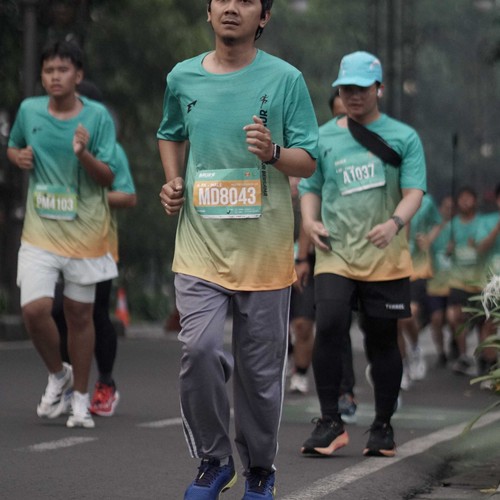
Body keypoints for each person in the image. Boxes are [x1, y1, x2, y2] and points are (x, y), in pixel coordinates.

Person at [157, 1, 319, 498]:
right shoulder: (182, 77)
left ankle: (260, 469)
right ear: (208, 11)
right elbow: (169, 134)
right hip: (200, 245)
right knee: (199, 348)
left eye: (246, 0)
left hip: (264, 251)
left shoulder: (286, 80)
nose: (231, 7)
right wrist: (173, 181)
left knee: (261, 377)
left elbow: (308, 160)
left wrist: (273, 152)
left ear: (263, 17)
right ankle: (215, 460)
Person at [299, 51, 426, 458]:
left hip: (385, 257)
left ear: (379, 89)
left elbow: (414, 191)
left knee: (382, 339)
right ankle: (330, 421)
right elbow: (310, 187)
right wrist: (309, 221)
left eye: (361, 89)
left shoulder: (404, 137)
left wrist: (394, 223)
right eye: (346, 89)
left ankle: (383, 426)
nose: (353, 96)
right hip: (335, 253)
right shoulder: (322, 137)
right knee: (329, 325)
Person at [7, 40, 118, 428]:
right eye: (49, 70)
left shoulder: (98, 118)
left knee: (79, 315)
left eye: (63, 70)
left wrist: (83, 154)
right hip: (40, 230)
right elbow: (14, 146)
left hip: (85, 233)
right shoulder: (29, 110)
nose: (55, 77)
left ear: (78, 75)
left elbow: (108, 176)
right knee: (34, 310)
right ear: (42, 76)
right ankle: (59, 375)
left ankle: (81, 402)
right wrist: (17, 156)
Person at [52, 80, 137, 418]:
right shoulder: (57, 147)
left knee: (95, 314)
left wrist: (88, 198)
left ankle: (105, 384)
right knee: (58, 311)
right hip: (57, 244)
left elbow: (128, 196)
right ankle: (71, 381)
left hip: (98, 245)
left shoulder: (110, 150)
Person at [398, 193, 441, 387]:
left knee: (408, 315)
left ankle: (415, 349)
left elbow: (438, 223)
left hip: (417, 268)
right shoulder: (387, 195)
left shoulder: (427, 201)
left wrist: (429, 239)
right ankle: (402, 365)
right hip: (393, 267)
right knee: (396, 322)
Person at [446, 187, 485, 375]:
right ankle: (463, 355)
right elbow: (445, 252)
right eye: (462, 198)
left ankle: (484, 357)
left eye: (469, 198)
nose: (465, 201)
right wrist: (449, 249)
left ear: (475, 201)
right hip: (458, 280)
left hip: (479, 281)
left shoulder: (482, 223)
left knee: (482, 321)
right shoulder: (452, 224)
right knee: (456, 317)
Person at [426, 195, 454, 367]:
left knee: (453, 317)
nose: (448, 211)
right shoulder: (432, 229)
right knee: (436, 318)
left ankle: (455, 344)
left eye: (452, 208)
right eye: (446, 207)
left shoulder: (457, 227)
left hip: (454, 283)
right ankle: (441, 351)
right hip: (435, 284)